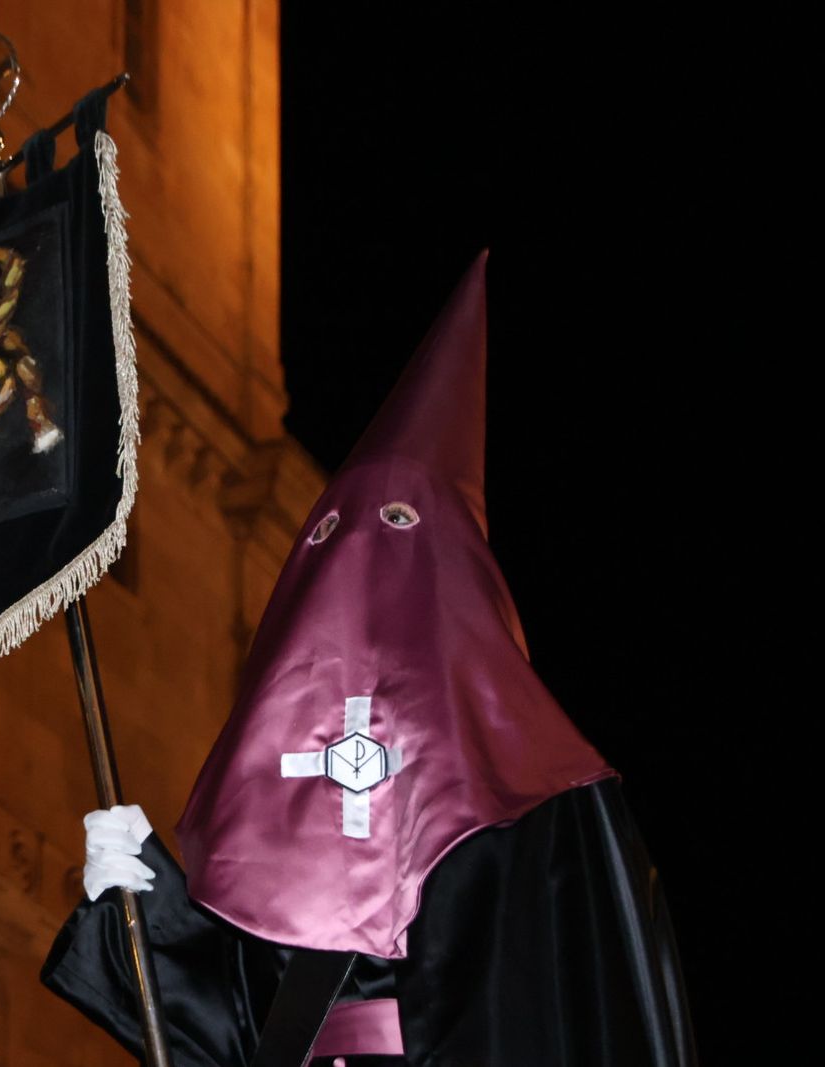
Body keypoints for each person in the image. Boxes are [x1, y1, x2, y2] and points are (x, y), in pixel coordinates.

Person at [41, 252, 696, 1066]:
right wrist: (142, 906)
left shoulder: (553, 802)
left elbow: (602, 1019)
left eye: (396, 522)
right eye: (331, 533)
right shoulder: (273, 799)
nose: (359, 564)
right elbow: (237, 1032)